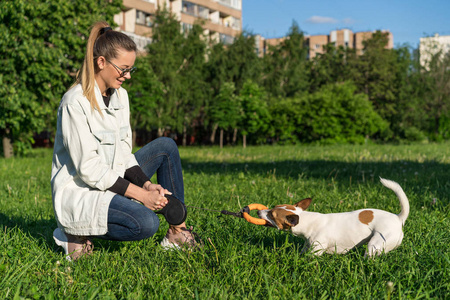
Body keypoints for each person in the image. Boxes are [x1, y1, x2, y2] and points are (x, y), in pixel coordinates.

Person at [51, 21, 197, 261]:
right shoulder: (74, 102)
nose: (128, 76)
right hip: (83, 193)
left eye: (132, 69)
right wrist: (141, 195)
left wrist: (147, 185)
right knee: (146, 223)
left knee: (166, 147)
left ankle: (177, 232)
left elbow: (124, 155)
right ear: (101, 63)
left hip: (112, 181)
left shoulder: (121, 96)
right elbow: (89, 170)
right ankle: (73, 234)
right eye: (123, 69)